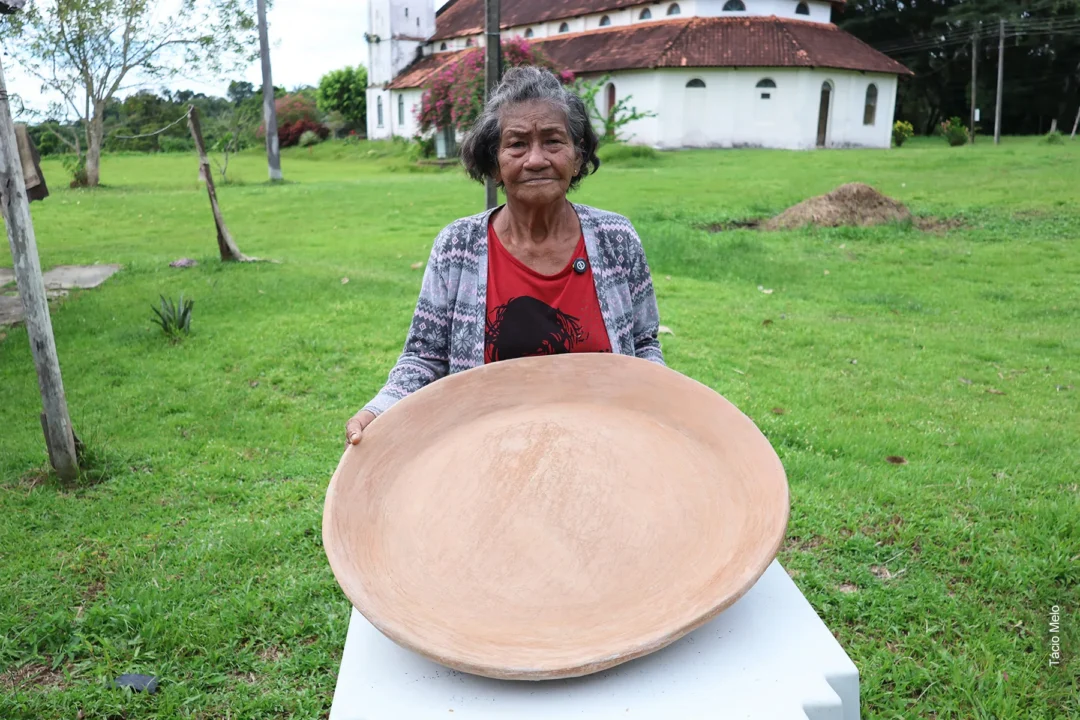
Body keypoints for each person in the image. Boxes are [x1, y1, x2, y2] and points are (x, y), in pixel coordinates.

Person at [346, 66, 665, 446]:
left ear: (577, 157)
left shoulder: (616, 238)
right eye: (516, 144)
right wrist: (377, 410)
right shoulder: (457, 247)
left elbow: (645, 345)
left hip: (603, 448)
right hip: (487, 455)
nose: (535, 159)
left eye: (553, 142)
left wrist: (660, 407)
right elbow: (424, 357)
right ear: (494, 164)